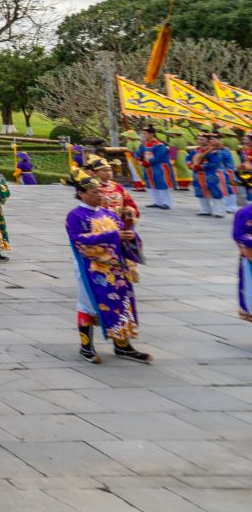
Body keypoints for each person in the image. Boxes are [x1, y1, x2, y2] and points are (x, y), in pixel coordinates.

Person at [67, 170, 150, 363]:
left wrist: (130, 235)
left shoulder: (108, 214)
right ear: (81, 193)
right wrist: (113, 236)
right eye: (94, 192)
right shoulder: (76, 215)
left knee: (121, 302)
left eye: (100, 191)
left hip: (117, 268)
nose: (99, 195)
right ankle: (86, 346)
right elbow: (79, 241)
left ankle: (122, 344)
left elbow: (123, 234)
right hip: (91, 268)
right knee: (88, 304)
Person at [190, 132, 236, 218]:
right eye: (198, 139)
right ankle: (205, 210)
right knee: (200, 192)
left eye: (202, 139)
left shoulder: (216, 151)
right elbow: (188, 159)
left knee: (215, 192)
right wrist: (190, 165)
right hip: (198, 174)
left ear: (208, 141)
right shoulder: (196, 150)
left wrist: (201, 166)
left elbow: (215, 162)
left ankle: (219, 212)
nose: (199, 141)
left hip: (212, 174)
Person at [138, 128, 175, 209]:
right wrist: (139, 160)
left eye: (145, 133)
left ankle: (167, 203)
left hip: (159, 167)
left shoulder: (159, 145)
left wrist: (149, 161)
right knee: (151, 184)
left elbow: (160, 156)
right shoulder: (143, 144)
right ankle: (157, 202)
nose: (143, 135)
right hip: (149, 167)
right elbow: (139, 154)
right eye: (143, 133)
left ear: (151, 134)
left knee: (162, 184)